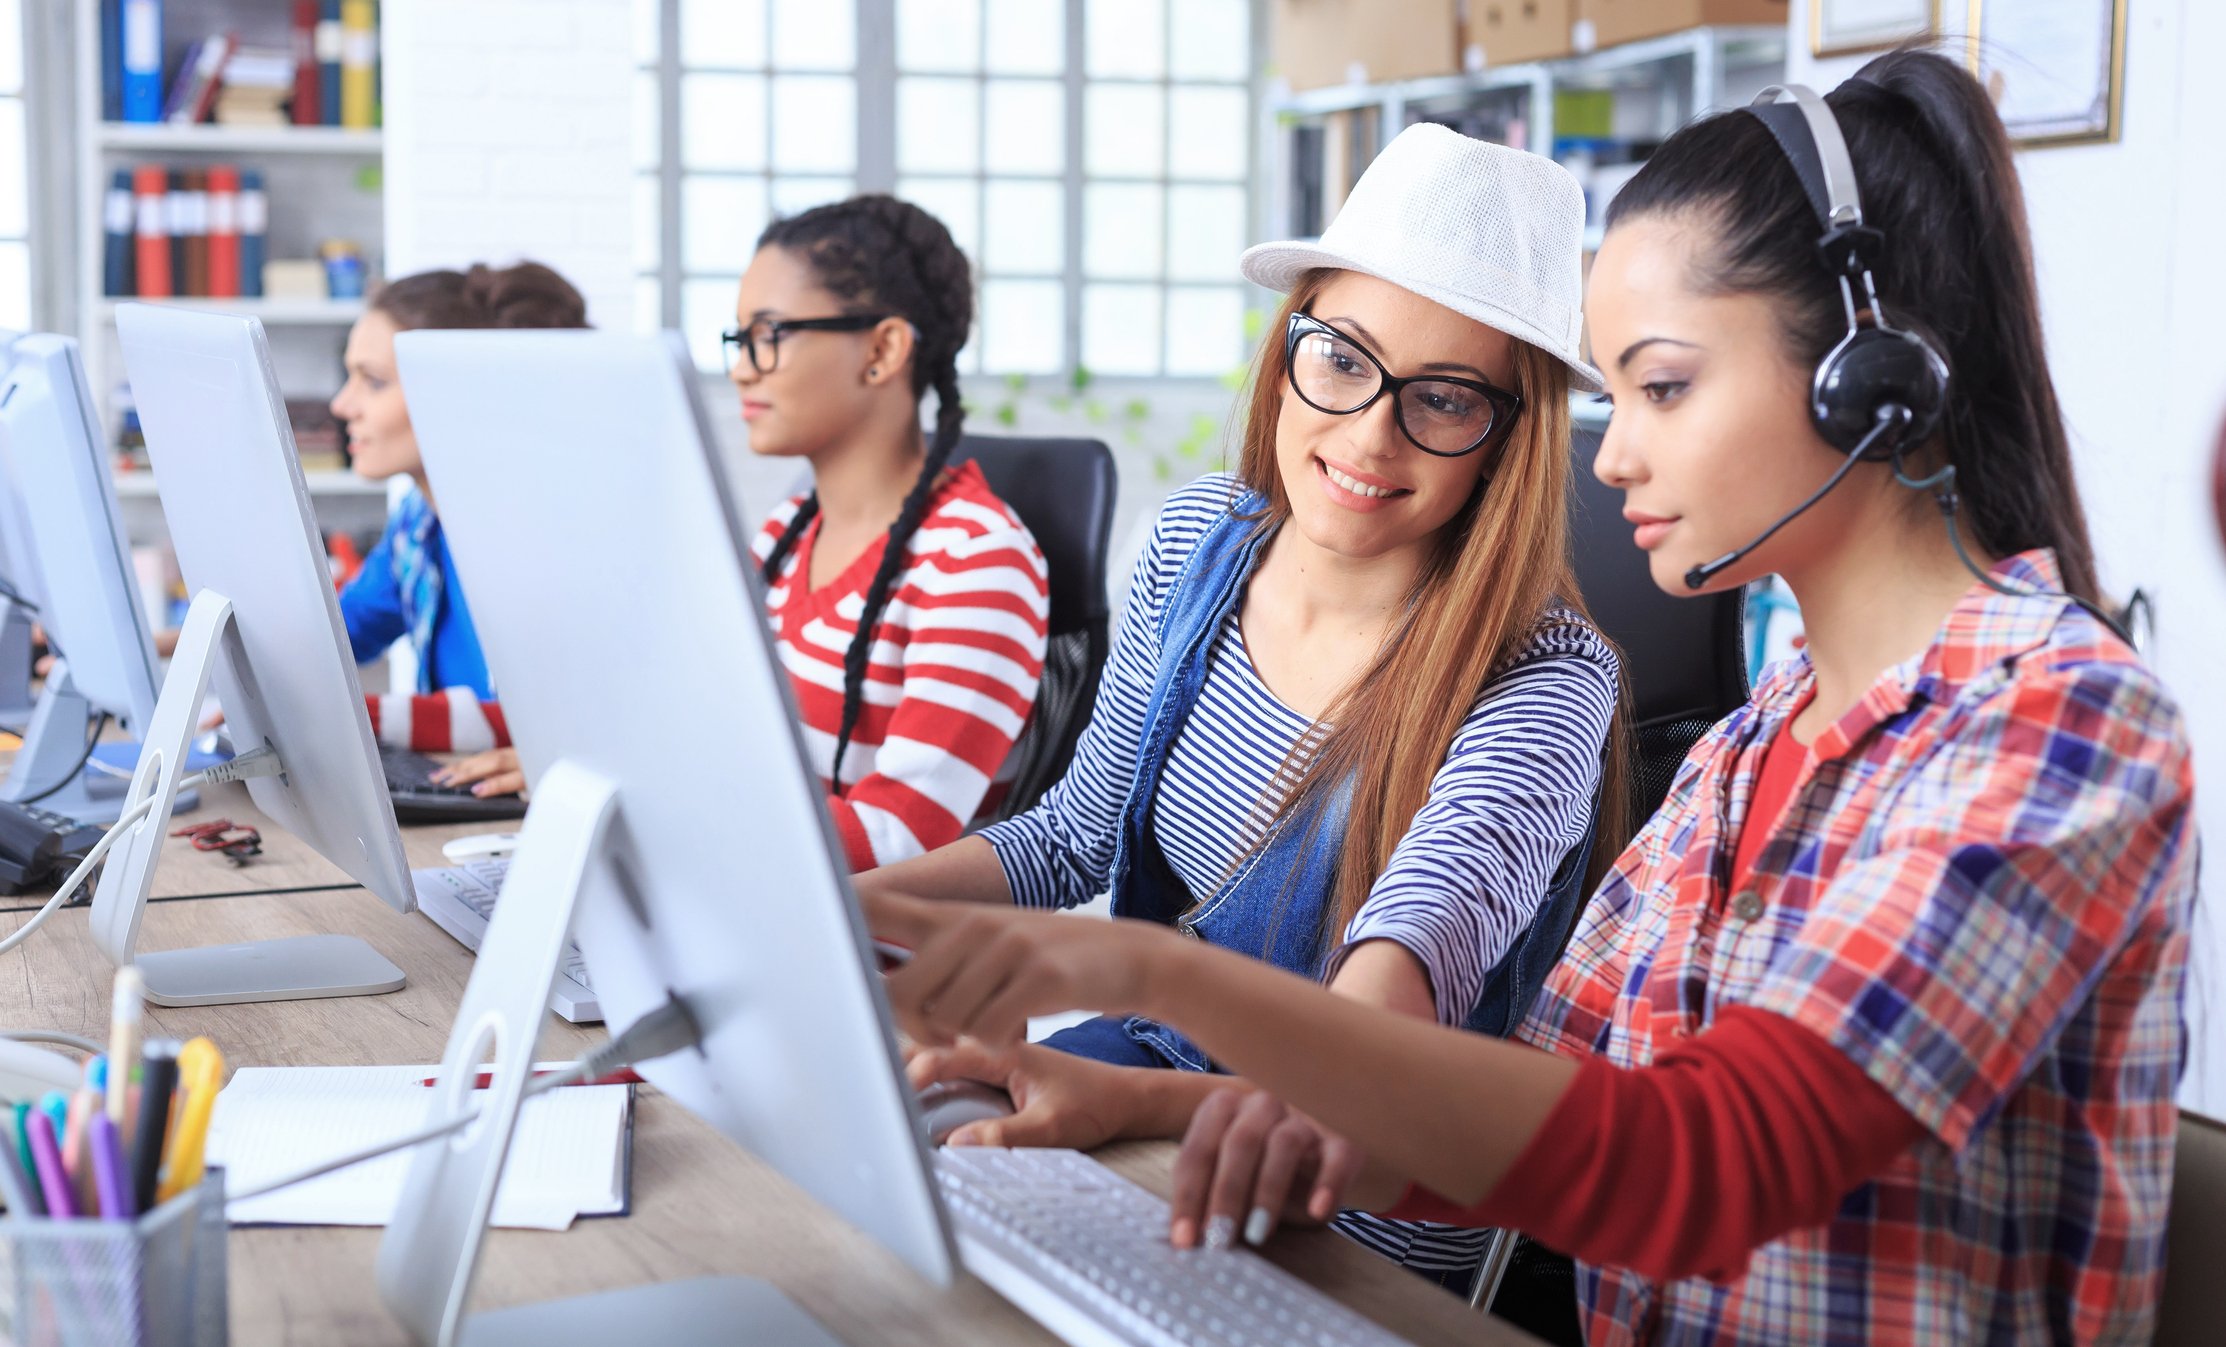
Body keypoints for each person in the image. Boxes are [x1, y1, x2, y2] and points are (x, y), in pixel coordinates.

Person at [867, 49, 2199, 1346]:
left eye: (1662, 387)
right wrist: (1137, 1095)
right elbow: (1515, 1110)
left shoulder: (2057, 726)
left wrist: (1151, 968)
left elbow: (1705, 1161)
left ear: (1868, 381)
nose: (1609, 458)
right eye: (1614, 394)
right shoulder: (1747, 748)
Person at [861, 125, 1628, 1283]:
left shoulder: (1543, 681)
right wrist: (833, 912)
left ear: (1507, 441)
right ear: (1289, 349)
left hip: (1353, 1200)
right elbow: (1070, 837)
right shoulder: (1199, 541)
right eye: (1344, 360)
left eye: (1445, 399)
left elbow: (1387, 1016)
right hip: (1144, 1088)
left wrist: (1128, 1089)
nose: (1370, 433)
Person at [324, 262, 589, 781]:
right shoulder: (418, 527)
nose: (342, 404)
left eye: (373, 382)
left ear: (456, 392)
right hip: (464, 803)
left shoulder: (550, 538)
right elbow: (333, 638)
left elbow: (537, 726)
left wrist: (353, 718)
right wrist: (195, 637)